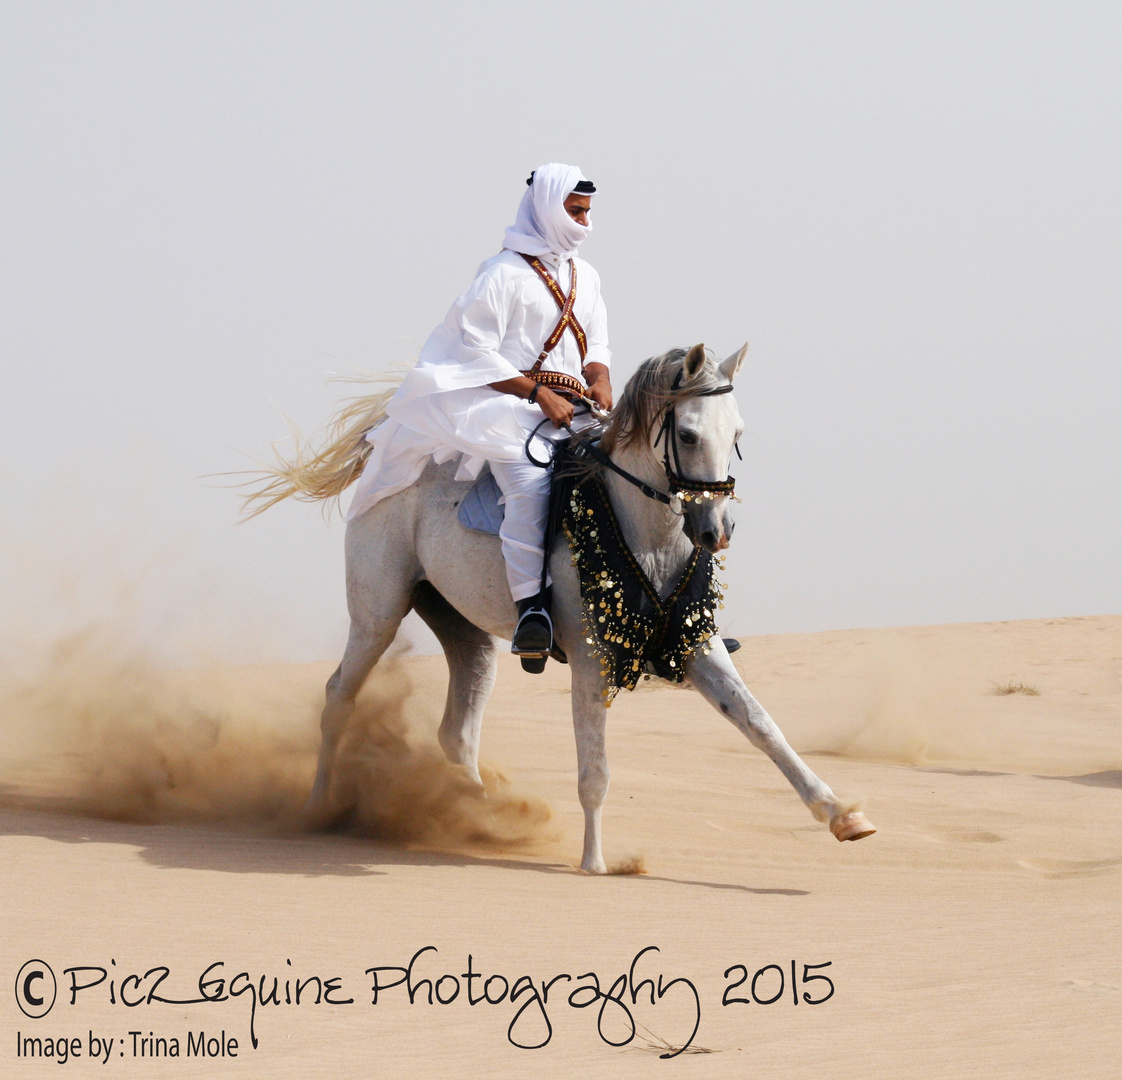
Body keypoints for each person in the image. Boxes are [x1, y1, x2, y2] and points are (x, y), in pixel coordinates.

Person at [346, 163, 612, 665]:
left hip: (574, 411)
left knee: (645, 467)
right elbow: (474, 352)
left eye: (588, 213)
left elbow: (595, 343)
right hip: (505, 407)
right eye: (575, 212)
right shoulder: (502, 273)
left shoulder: (586, 276)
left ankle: (672, 609)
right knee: (530, 484)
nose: (584, 223)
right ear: (548, 210)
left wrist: (599, 377)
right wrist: (537, 394)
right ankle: (533, 611)